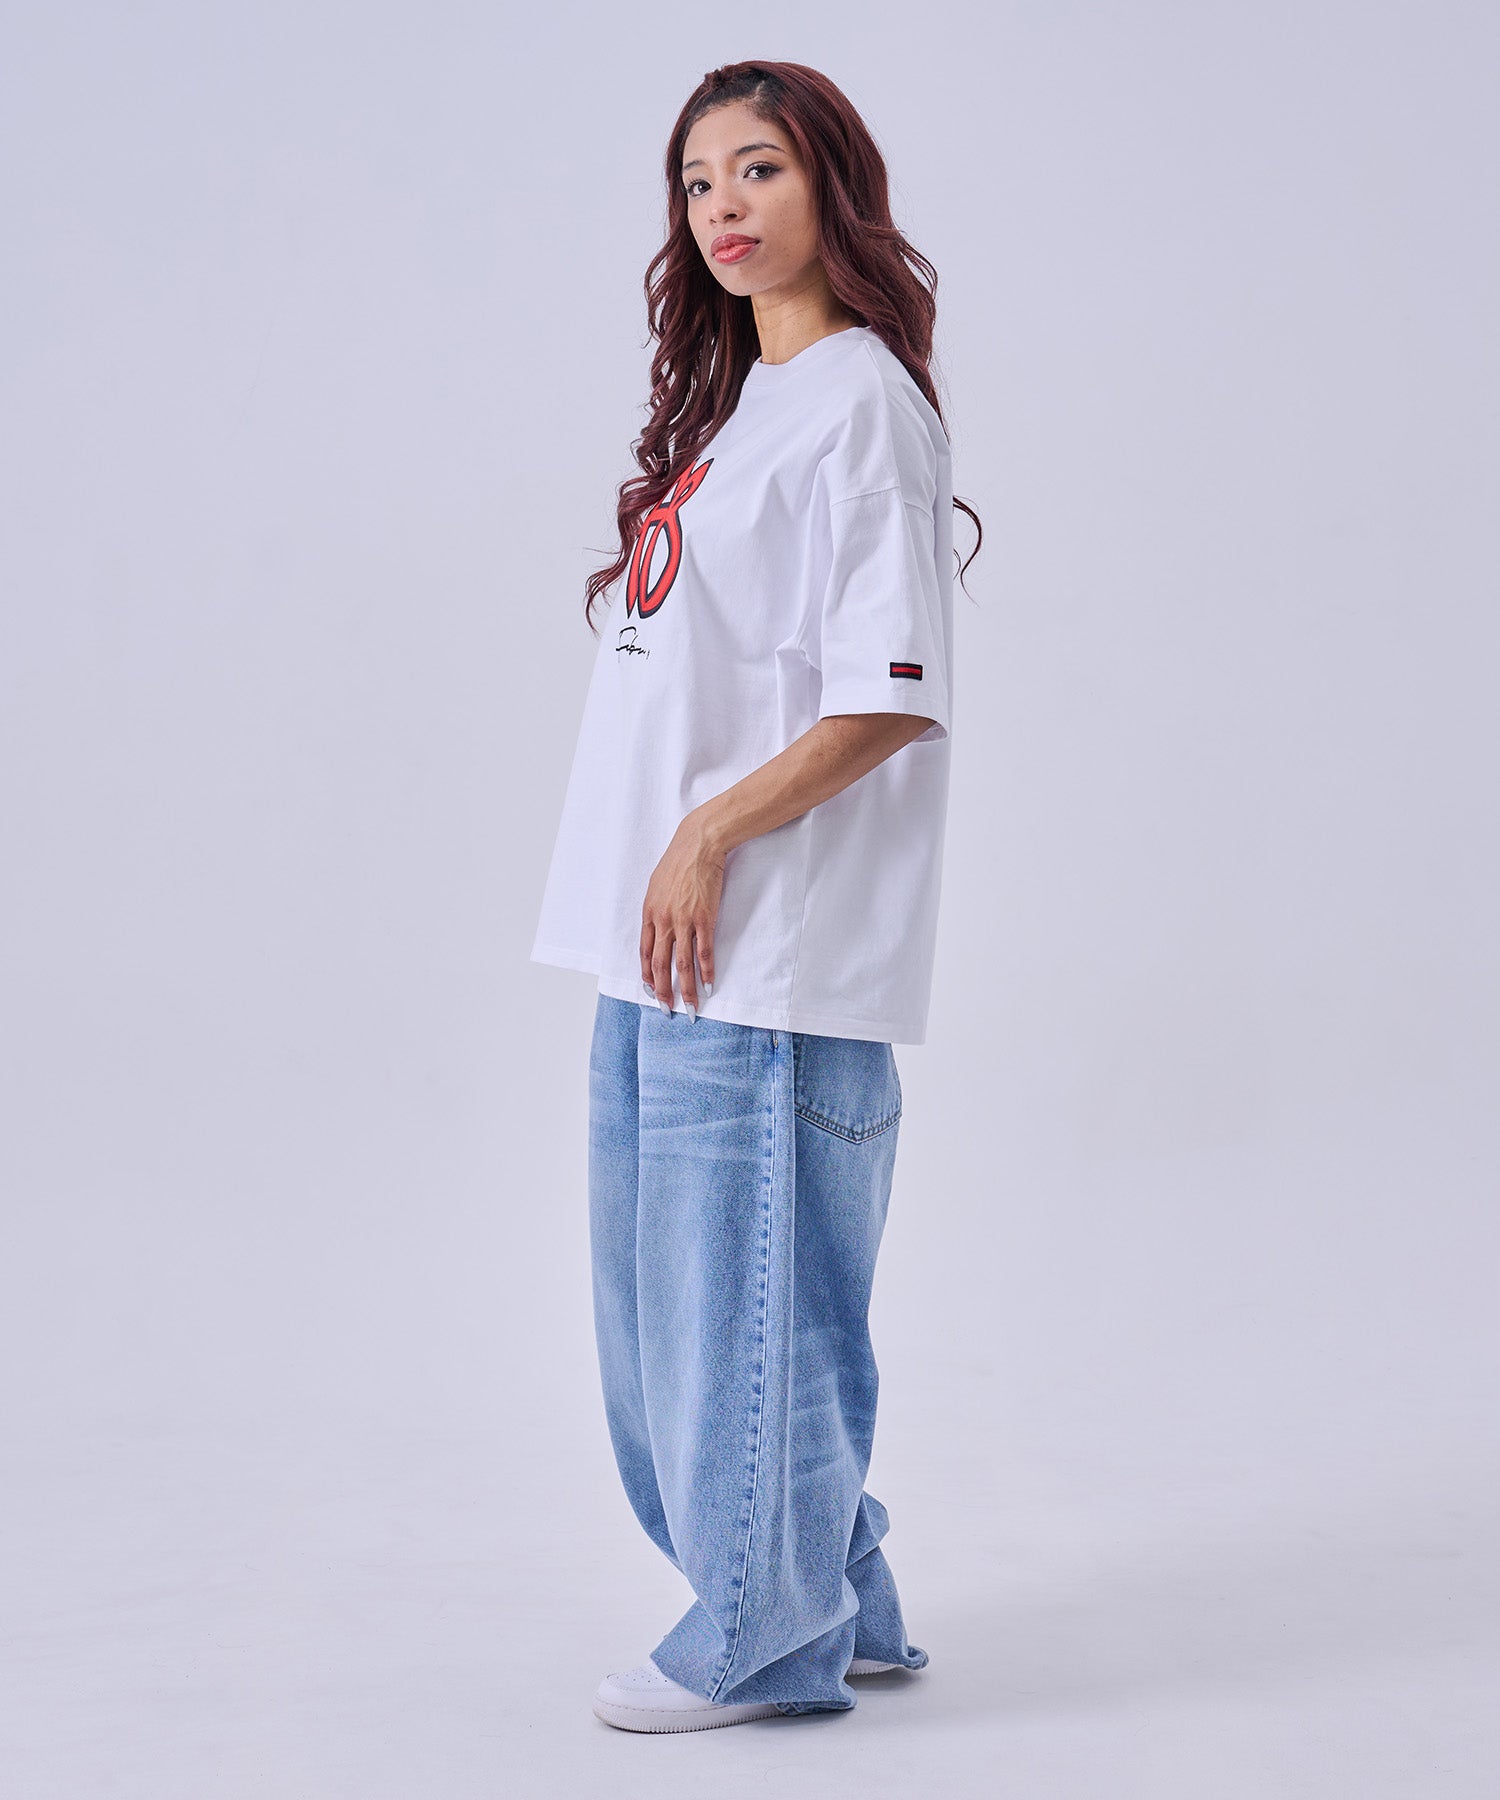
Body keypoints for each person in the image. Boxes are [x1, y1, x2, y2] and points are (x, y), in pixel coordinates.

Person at [529, 59, 982, 1733]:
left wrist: (712, 832)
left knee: (742, 1327)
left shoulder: (862, 403)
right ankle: (833, 1592)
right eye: (698, 180)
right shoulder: (749, 412)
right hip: (658, 949)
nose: (723, 204)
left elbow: (893, 692)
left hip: (766, 964)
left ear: (831, 189)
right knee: (675, 1337)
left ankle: (763, 1642)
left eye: (762, 168)